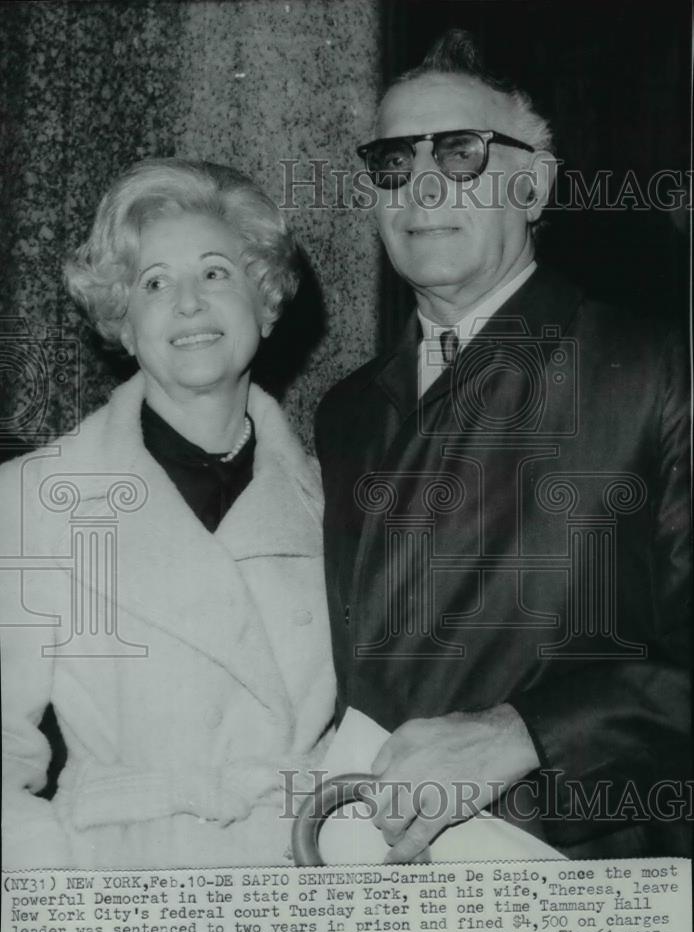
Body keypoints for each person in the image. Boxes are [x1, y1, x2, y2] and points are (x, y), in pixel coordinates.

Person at [315, 31, 690, 861]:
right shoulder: (344, 414)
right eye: (392, 162)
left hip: (582, 878)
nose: (420, 186)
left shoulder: (657, 368)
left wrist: (524, 733)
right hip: (374, 878)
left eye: (459, 152)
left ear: (534, 182)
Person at [0, 159, 335, 869]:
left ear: (265, 298)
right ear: (123, 321)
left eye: (215, 272)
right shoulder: (38, 496)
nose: (187, 303)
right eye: (154, 283)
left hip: (307, 880)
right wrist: (54, 897)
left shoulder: (334, 499)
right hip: (123, 892)